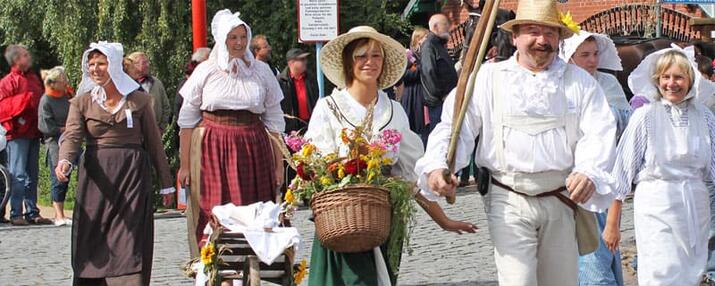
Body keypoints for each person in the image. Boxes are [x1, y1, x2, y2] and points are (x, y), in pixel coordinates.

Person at [415, 0, 619, 284]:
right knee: (518, 280)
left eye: (550, 33)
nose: (542, 40)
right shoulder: (487, 79)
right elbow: (454, 128)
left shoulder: (580, 83)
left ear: (559, 38)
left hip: (561, 198)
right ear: (515, 36)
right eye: (533, 31)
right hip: (507, 198)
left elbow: (599, 131)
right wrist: (438, 165)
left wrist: (588, 170)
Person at [306, 25, 477, 286]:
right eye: (361, 56)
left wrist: (443, 220)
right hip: (340, 222)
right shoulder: (328, 108)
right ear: (347, 61)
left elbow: (410, 178)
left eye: (376, 56)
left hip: (381, 223)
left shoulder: (394, 112)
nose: (369, 62)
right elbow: (315, 168)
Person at [55, 41, 175, 285]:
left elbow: (153, 143)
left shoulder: (139, 100)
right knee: (93, 233)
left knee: (130, 234)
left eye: (101, 63)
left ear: (115, 66)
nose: (95, 69)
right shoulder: (83, 102)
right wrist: (65, 160)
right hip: (96, 177)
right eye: (91, 65)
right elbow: (73, 136)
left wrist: (166, 183)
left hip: (131, 174)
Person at [177, 10, 285, 256]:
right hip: (213, 146)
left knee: (252, 209)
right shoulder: (206, 70)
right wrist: (184, 165)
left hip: (252, 144)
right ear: (222, 39)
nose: (238, 43)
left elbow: (275, 121)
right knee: (213, 207)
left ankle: (249, 266)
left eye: (242, 37)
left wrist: (279, 166)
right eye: (232, 37)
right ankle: (216, 267)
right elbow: (186, 121)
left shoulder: (261, 71)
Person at [612, 47, 715, 286]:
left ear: (690, 79)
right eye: (665, 77)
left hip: (694, 208)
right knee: (661, 271)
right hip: (656, 206)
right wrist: (612, 224)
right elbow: (622, 170)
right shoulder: (645, 116)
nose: (672, 83)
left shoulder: (705, 117)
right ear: (657, 80)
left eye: (678, 77)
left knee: (692, 273)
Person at [561, 31, 630, 286]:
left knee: (603, 247)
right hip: (570, 179)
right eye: (585, 55)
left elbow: (626, 122)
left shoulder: (607, 83)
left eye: (595, 54)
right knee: (584, 254)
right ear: (569, 58)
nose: (592, 61)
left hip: (603, 176)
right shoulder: (563, 85)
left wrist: (603, 115)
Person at [0, 44, 51, 226]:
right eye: (25, 55)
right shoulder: (7, 82)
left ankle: (32, 211)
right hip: (17, 135)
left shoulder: (34, 79)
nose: (29, 58)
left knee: (32, 175)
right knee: (17, 175)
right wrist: (25, 100)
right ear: (15, 59)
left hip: (34, 132)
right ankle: (16, 213)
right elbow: (2, 107)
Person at [38, 66, 74, 226]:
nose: (66, 82)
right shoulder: (46, 99)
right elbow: (45, 125)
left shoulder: (67, 96)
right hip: (54, 142)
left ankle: (65, 211)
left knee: (69, 174)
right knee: (58, 177)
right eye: (63, 80)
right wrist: (63, 128)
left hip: (70, 139)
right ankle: (58, 214)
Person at [420, 13, 458, 135]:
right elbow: (428, 73)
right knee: (440, 136)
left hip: (446, 101)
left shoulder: (438, 45)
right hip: (438, 104)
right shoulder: (429, 46)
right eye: (445, 24)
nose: (449, 28)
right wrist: (441, 96)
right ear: (435, 27)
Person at [127, 51, 172, 133]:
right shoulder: (126, 84)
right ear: (134, 65)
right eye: (144, 63)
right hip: (133, 134)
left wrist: (161, 128)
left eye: (148, 62)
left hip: (154, 131)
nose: (148, 65)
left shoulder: (156, 83)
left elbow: (166, 107)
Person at [278, 48, 319, 134]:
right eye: (302, 59)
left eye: (305, 59)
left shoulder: (310, 77)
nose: (305, 62)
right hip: (292, 128)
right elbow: (280, 107)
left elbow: (316, 100)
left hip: (311, 124)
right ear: (291, 63)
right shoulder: (280, 81)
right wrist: (288, 127)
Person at [400, 27, 429, 145]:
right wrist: (420, 68)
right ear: (418, 39)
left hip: (424, 94)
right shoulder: (408, 55)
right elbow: (404, 76)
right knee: (415, 128)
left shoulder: (427, 54)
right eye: (425, 38)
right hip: (412, 96)